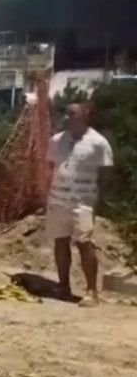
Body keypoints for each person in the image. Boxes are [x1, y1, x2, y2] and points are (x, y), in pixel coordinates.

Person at [46, 102, 114, 307]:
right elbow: (50, 167)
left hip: (82, 203)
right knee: (60, 242)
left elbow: (106, 174)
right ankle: (63, 285)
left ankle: (91, 291)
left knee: (84, 244)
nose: (68, 116)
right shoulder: (57, 140)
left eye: (72, 113)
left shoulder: (98, 143)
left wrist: (95, 199)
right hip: (58, 201)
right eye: (66, 113)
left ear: (85, 114)